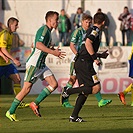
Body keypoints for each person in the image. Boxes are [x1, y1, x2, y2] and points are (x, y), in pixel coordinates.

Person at [6, 11, 66, 121]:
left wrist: (52, 50)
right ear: (49, 20)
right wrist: (52, 52)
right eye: (56, 20)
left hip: (41, 65)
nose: (57, 22)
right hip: (34, 64)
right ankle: (10, 111)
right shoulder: (44, 30)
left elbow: (40, 45)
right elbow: (38, 45)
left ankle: (35, 103)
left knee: (53, 84)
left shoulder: (48, 32)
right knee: (26, 89)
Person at [61, 12, 109, 122]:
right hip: (84, 63)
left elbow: (85, 48)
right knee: (95, 87)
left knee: (86, 91)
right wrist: (95, 58)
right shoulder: (95, 31)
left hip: (83, 61)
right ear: (103, 22)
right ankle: (67, 91)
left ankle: (73, 116)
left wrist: (99, 55)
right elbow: (88, 43)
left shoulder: (91, 30)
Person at [0, 17, 29, 108]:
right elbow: (3, 49)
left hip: (6, 64)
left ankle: (18, 101)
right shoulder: (4, 34)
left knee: (17, 79)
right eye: (16, 25)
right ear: (10, 25)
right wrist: (13, 59)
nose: (17, 27)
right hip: (0, 64)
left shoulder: (11, 34)